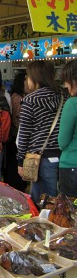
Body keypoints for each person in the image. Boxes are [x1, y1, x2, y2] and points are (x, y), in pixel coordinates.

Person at [17, 60, 67, 204]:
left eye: (28, 76)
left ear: (36, 77)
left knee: (40, 201)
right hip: (62, 157)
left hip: (39, 159)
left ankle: (45, 225)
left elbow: (24, 134)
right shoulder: (64, 97)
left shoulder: (30, 101)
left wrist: (20, 161)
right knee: (59, 200)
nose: (27, 80)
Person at [3, 71, 28, 192]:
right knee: (15, 167)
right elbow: (18, 120)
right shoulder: (18, 98)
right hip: (16, 138)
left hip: (13, 137)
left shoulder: (13, 96)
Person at [58, 59, 77, 197]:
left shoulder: (72, 104)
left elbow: (62, 141)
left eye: (67, 81)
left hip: (71, 166)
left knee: (69, 213)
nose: (65, 85)